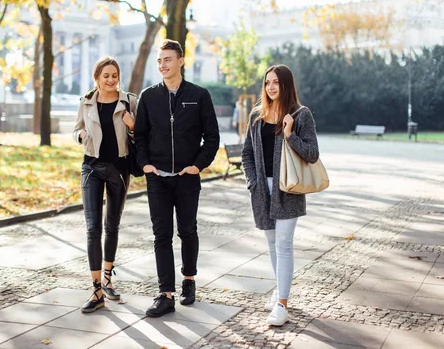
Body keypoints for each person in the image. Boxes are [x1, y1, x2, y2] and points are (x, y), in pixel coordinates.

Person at [134, 39, 220, 318]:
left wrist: (197, 165)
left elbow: (212, 138)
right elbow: (141, 137)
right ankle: (165, 294)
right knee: (161, 235)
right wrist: (145, 165)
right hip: (157, 177)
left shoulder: (199, 95)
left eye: (167, 60)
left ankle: (189, 279)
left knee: (188, 230)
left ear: (181, 61)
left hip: (186, 177)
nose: (162, 65)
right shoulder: (149, 96)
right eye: (159, 61)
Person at [241, 64, 320, 326]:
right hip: (262, 190)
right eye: (267, 83)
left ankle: (282, 304)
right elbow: (247, 154)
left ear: (286, 85)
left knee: (284, 244)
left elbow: (312, 154)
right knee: (272, 244)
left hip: (288, 188)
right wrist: (253, 182)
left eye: (276, 82)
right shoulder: (256, 115)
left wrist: (289, 134)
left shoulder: (301, 114)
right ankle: (279, 290)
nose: (271, 87)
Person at [73, 56, 137, 313]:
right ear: (97, 78)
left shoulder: (129, 100)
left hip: (119, 169)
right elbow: (76, 128)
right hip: (91, 167)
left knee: (112, 225)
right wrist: (79, 135)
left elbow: (142, 133)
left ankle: (108, 278)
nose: (111, 80)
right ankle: (96, 289)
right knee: (92, 229)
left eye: (114, 75)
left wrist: (133, 127)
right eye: (106, 76)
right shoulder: (86, 101)